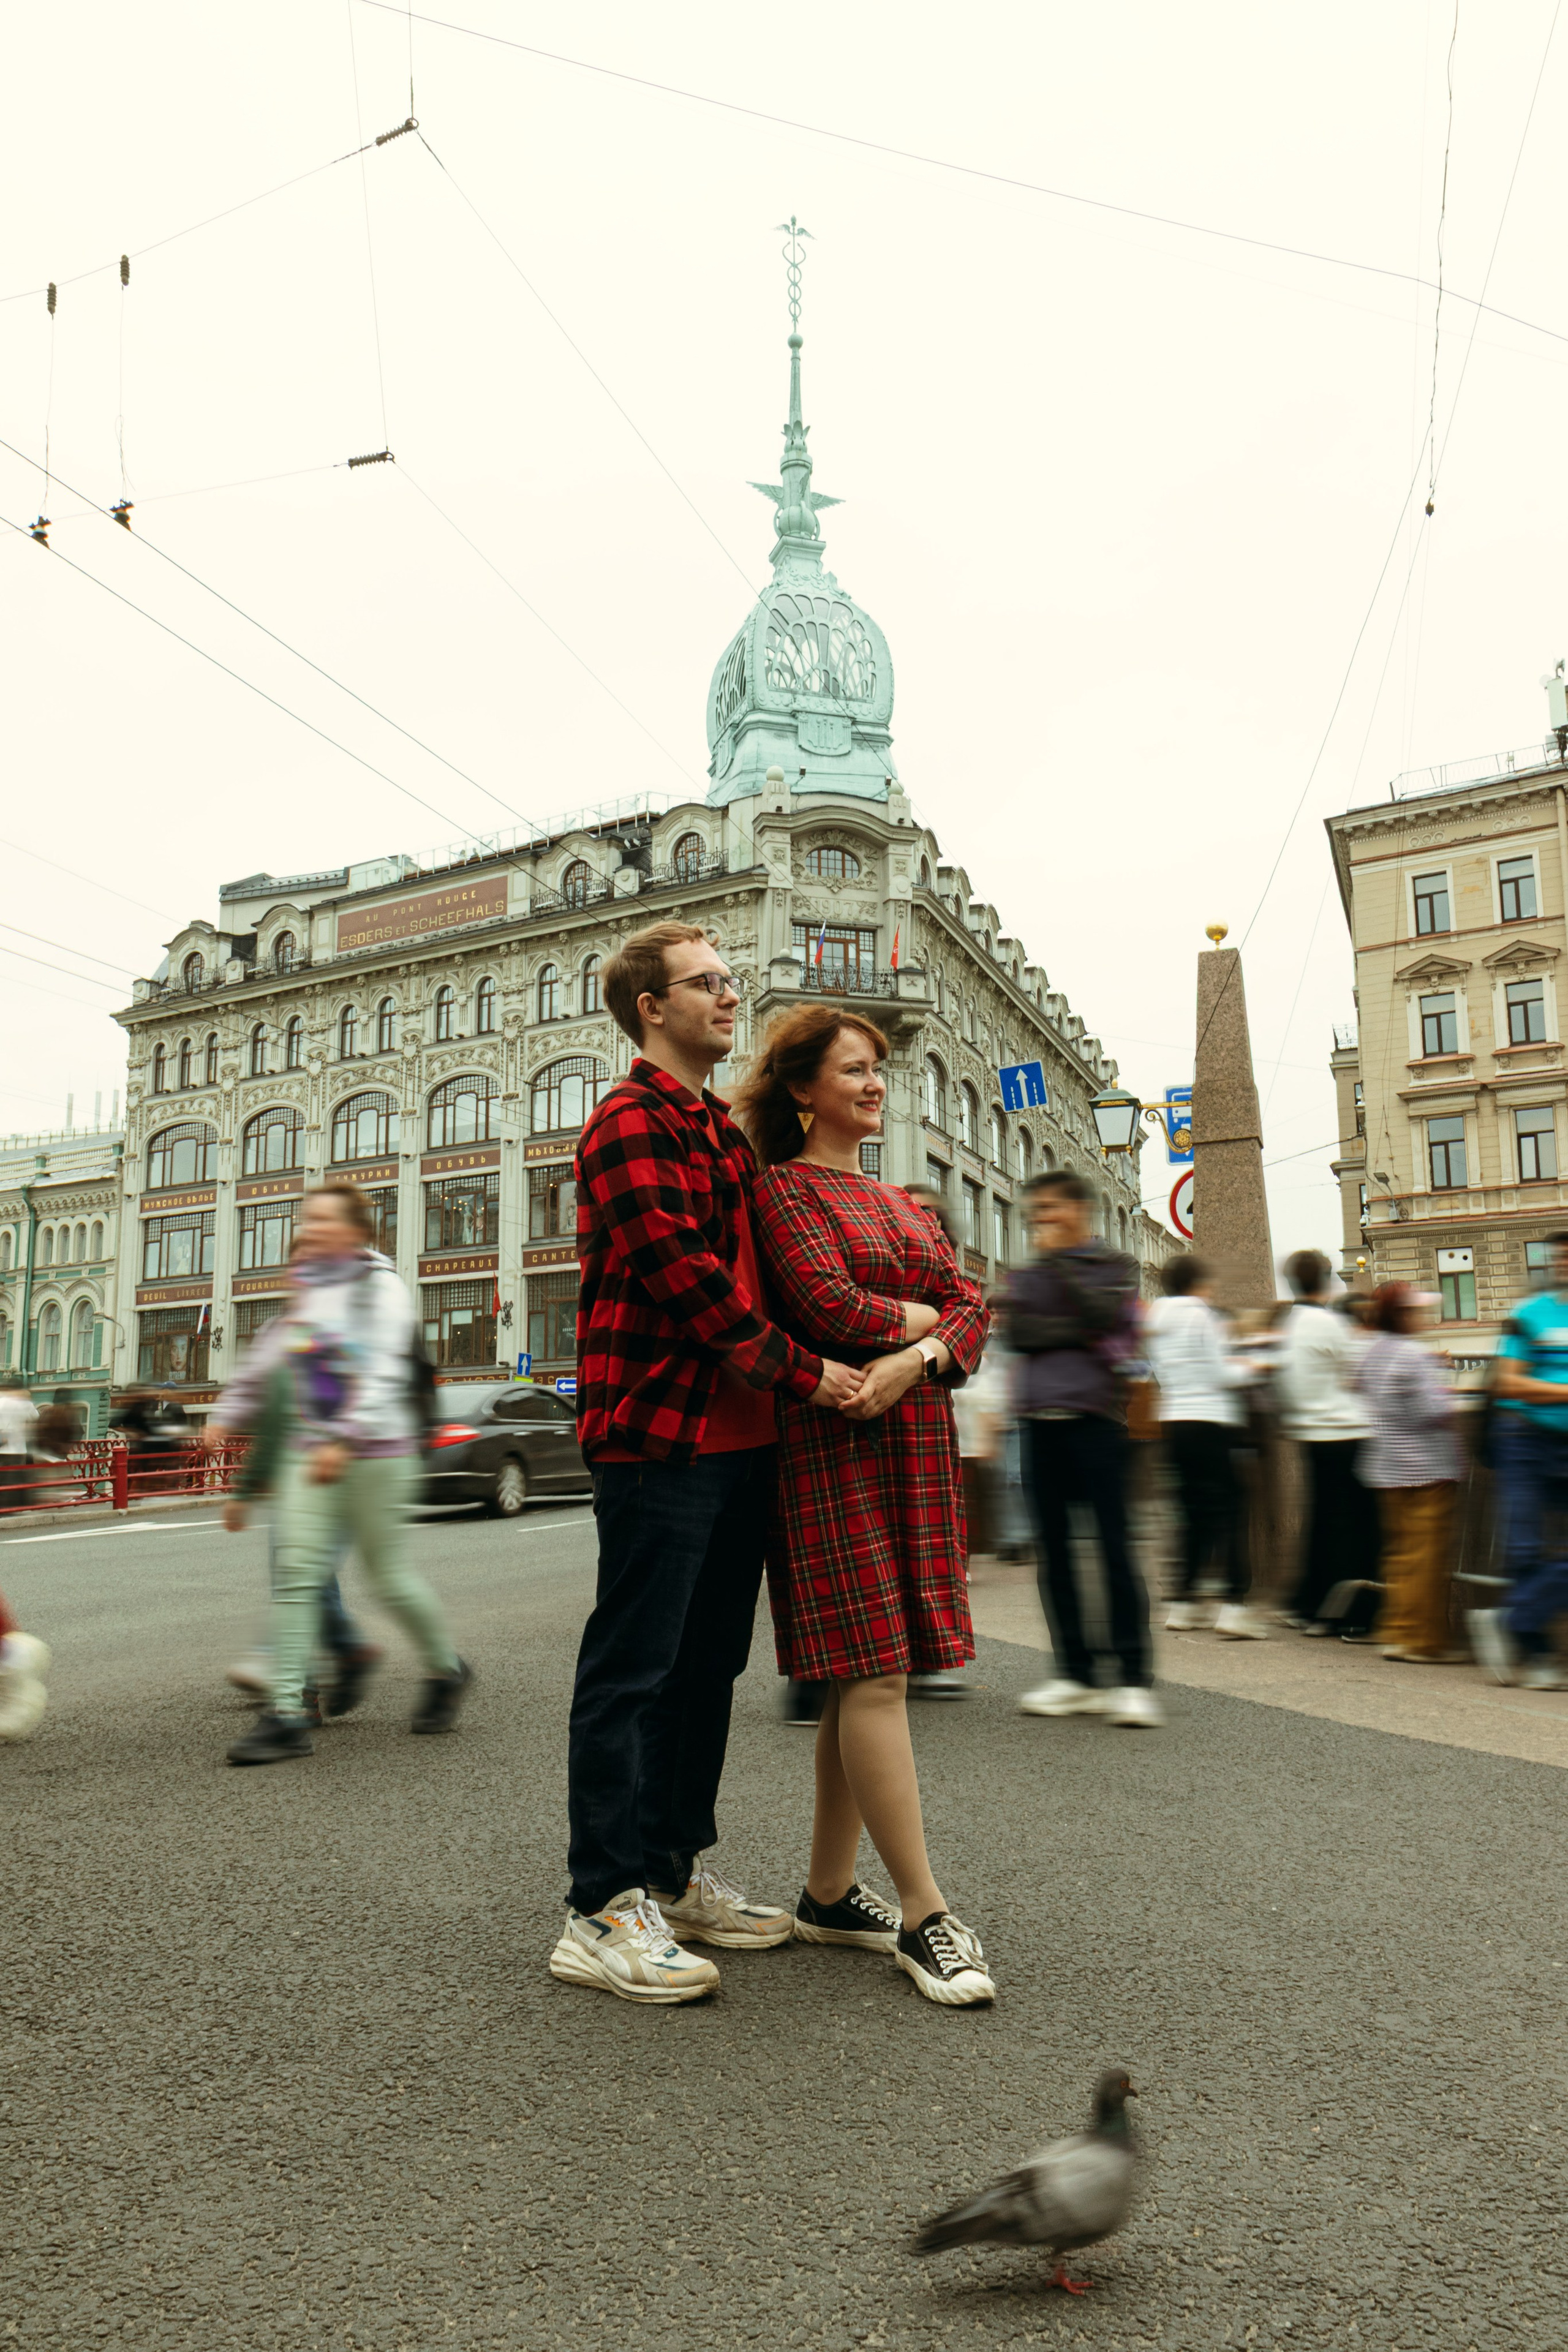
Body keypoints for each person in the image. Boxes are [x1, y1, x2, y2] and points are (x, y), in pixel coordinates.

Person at [552, 922, 864, 2006]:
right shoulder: (627, 1122)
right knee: (632, 1671)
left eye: (731, 980)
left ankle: (672, 1873)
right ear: (652, 1007)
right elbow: (690, 1280)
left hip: (741, 1442)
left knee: (706, 1672)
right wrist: (809, 1372)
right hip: (659, 1434)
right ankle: (600, 1905)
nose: (729, 996)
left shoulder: (719, 1130)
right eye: (707, 983)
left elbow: (773, 1261)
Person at [741, 1005, 995, 2006]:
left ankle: (830, 1892)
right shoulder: (784, 1191)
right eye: (854, 1069)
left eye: (877, 1070)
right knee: (876, 1671)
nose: (875, 1084)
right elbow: (825, 1307)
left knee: (859, 1679)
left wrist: (921, 1355)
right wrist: (930, 1327)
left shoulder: (906, 1202)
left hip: (911, 1435)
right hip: (832, 1441)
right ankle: (925, 1913)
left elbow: (977, 1308)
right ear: (803, 1090)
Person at [205, 1182, 470, 1765]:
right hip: (312, 1453)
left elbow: (380, 1369)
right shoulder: (309, 1288)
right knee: (297, 1574)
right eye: (309, 1219)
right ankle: (286, 1716)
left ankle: (446, 1670)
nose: (312, 1227)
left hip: (377, 1452)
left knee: (389, 1577)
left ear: (356, 1231)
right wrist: (225, 1415)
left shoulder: (380, 1288)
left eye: (325, 1219)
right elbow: (271, 1360)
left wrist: (344, 1435)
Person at [1003, 1170, 1156, 1725]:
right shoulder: (1026, 1274)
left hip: (1098, 1422)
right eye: (1034, 1209)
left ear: (1078, 1211)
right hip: (1037, 1424)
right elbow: (1021, 1332)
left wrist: (1061, 1287)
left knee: (1114, 1549)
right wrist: (1067, 1326)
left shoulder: (1115, 1267)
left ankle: (1134, 1678)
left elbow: (1103, 1322)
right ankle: (1076, 1673)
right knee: (1056, 1555)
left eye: (1049, 1208)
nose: (1039, 1217)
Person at [222, 1275, 383, 1722]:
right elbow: (271, 1407)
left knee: (302, 1579)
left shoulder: (351, 1331)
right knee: (304, 1579)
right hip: (298, 1477)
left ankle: (302, 1688)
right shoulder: (284, 1333)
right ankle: (331, 1669)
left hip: (343, 1474)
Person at [1145, 1256, 1265, 1638]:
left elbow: (1158, 1372)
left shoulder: (1154, 1320)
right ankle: (1232, 1606)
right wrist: (1256, 1367)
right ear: (1197, 1284)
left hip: (1175, 1422)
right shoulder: (1204, 1316)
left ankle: (1183, 1603)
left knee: (1189, 1512)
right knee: (1227, 1511)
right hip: (1213, 1421)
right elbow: (1221, 1371)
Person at [1472, 1231, 1568, 1690]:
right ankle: (1538, 1655)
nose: (1563, 1263)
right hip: (1524, 1438)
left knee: (1533, 1552)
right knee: (1525, 1549)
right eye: (1559, 1257)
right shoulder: (1528, 1315)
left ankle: (1510, 1621)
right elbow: (1510, 1383)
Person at [1354, 1283, 1465, 1665]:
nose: (1421, 1317)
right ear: (1401, 1315)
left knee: (1401, 1555)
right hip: (1427, 1470)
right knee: (1426, 1558)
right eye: (1415, 1311)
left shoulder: (1374, 1353)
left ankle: (1398, 1632)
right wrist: (1450, 1397)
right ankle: (1422, 1640)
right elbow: (1430, 1411)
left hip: (1387, 1469)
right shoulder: (1412, 1355)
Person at [1275, 1248, 1378, 1632]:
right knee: (1356, 1530)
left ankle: (1312, 1606)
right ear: (1328, 1279)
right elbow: (1362, 1374)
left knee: (1321, 1524)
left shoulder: (1290, 1324)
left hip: (1311, 1434)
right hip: (1347, 1434)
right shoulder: (1328, 1323)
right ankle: (1354, 1614)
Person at [0, 1376, 37, 1513]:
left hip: (1, 1446)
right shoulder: (24, 1403)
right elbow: (35, 1417)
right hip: (17, 1448)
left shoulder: (1, 1401)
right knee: (14, 1479)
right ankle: (10, 1508)